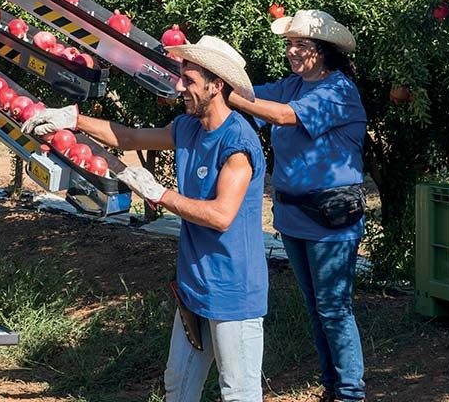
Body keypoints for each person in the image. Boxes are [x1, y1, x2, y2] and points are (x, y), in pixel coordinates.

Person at [22, 35, 268, 402]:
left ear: (216, 85)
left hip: (233, 290)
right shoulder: (187, 128)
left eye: (190, 79)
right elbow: (130, 137)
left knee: (239, 393)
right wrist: (74, 119)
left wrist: (159, 194)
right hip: (194, 284)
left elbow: (221, 215)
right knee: (178, 386)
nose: (180, 86)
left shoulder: (237, 144)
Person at [227, 10, 367, 402]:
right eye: (288, 44)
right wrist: (211, 81)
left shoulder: (338, 91)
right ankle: (332, 386)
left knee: (334, 309)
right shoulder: (292, 85)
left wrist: (225, 93)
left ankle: (351, 392)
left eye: (300, 44)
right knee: (316, 307)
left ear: (322, 51)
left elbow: (283, 117)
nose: (291, 51)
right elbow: (252, 96)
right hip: (293, 217)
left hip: (330, 218)